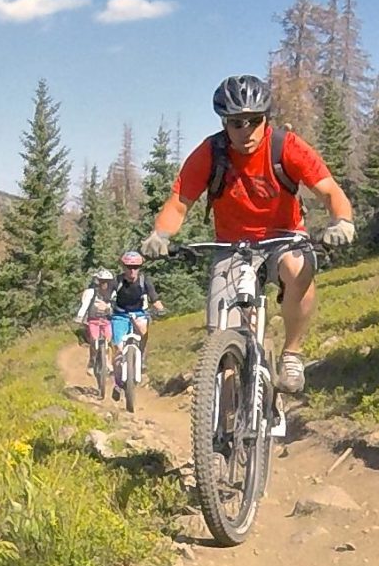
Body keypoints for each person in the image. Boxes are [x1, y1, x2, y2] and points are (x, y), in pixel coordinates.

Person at [139, 75, 356, 393]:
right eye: (236, 123)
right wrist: (160, 235)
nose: (246, 131)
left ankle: (292, 354)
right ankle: (224, 421)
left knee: (300, 267)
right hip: (232, 246)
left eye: (254, 121)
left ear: (266, 118)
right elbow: (179, 203)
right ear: (225, 123)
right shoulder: (211, 153)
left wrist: (343, 221)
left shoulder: (286, 147)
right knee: (220, 330)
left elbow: (329, 191)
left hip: (283, 237)